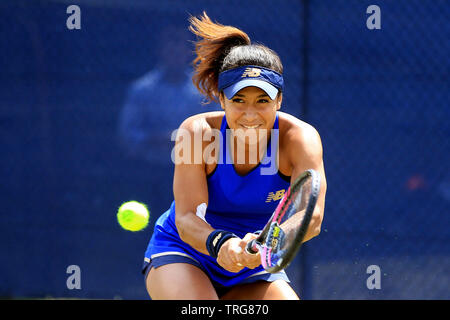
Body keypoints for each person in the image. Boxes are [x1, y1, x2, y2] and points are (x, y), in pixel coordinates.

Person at [142, 12, 327, 300]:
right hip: (188, 251)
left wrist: (268, 244)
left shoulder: (300, 139)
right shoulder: (196, 132)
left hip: (254, 263)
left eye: (263, 101)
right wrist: (222, 244)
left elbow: (310, 218)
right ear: (221, 98)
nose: (250, 114)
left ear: (279, 100)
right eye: (239, 100)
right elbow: (187, 216)